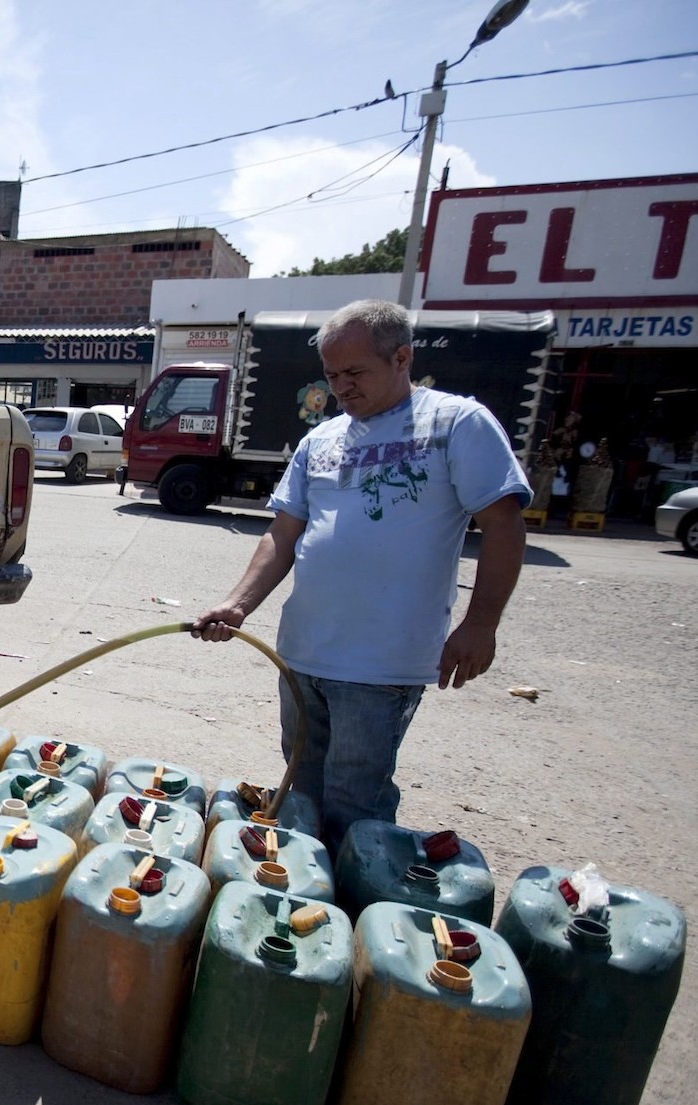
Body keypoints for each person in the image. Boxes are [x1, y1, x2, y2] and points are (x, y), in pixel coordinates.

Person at [192, 299, 530, 847]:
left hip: (382, 665)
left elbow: (504, 524)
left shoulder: (456, 423)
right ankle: (306, 896)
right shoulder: (320, 440)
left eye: (354, 372)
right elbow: (283, 533)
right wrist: (238, 603)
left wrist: (480, 623)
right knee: (300, 790)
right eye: (331, 375)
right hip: (302, 652)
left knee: (357, 801)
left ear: (402, 357)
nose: (341, 386)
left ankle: (357, 911)